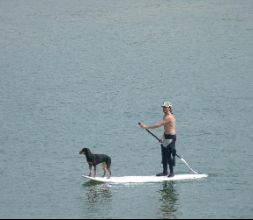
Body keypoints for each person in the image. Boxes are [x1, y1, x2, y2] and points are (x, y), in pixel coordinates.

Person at [139, 101, 177, 177]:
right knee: (164, 155)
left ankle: (172, 172)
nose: (163, 109)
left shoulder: (170, 117)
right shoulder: (165, 116)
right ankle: (165, 171)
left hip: (171, 138)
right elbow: (165, 128)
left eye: (165, 107)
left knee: (169, 155)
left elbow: (159, 125)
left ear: (169, 108)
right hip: (165, 137)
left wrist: (146, 127)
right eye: (163, 107)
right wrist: (162, 138)